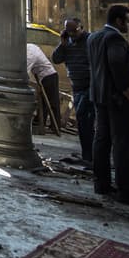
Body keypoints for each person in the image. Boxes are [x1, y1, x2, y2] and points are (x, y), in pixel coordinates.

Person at [88, 4, 129, 206]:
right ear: (118, 20)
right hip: (116, 98)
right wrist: (126, 89)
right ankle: (125, 190)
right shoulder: (114, 38)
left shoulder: (93, 37)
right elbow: (115, 63)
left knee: (101, 139)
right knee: (122, 143)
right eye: (127, 22)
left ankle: (101, 183)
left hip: (99, 95)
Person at [52, 17, 93, 162]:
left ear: (82, 27)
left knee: (85, 117)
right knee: (82, 122)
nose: (72, 34)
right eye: (69, 32)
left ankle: (91, 156)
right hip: (77, 86)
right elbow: (56, 59)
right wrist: (62, 44)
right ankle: (88, 155)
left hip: (90, 86)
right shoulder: (67, 42)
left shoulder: (90, 40)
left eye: (74, 31)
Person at [26, 42, 60, 135]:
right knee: (45, 102)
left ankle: (55, 126)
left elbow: (25, 72)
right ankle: (41, 121)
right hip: (45, 76)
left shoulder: (29, 51)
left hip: (49, 76)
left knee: (52, 102)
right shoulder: (30, 47)